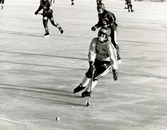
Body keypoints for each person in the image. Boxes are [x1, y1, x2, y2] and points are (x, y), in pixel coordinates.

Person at [73, 27, 118, 97]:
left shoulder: (109, 45)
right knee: (89, 73)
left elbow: (113, 58)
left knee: (96, 76)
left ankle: (88, 91)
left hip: (106, 63)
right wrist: (91, 63)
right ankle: (82, 85)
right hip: (98, 60)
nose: (101, 36)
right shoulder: (95, 41)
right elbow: (92, 52)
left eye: (103, 35)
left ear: (107, 36)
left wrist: (114, 71)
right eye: (100, 33)